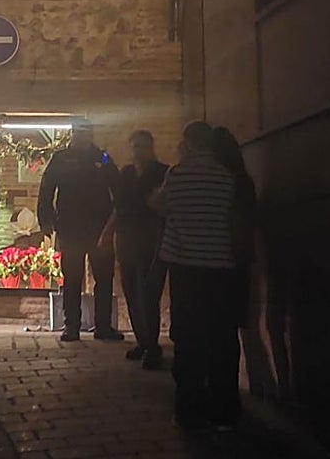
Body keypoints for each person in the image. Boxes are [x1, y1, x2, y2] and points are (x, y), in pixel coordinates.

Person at [152, 121, 240, 430]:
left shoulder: (178, 174)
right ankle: (223, 411)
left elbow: (162, 206)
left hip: (185, 266)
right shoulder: (226, 176)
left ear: (188, 143)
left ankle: (188, 410)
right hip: (220, 265)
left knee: (188, 336)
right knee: (220, 335)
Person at [37, 119, 123, 342]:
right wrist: (45, 219)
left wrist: (115, 223)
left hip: (99, 229)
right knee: (72, 278)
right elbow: (46, 188)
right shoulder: (61, 159)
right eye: (78, 132)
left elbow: (118, 188)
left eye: (86, 133)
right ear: (73, 134)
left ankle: (103, 326)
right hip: (70, 227)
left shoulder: (102, 158)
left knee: (103, 278)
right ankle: (71, 326)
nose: (82, 136)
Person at [100, 130, 169, 369]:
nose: (138, 151)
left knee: (149, 294)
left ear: (151, 148)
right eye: (135, 146)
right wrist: (107, 233)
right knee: (131, 292)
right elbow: (119, 208)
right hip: (127, 241)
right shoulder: (126, 174)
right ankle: (143, 341)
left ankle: (153, 346)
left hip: (152, 242)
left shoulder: (162, 173)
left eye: (142, 146)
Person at [210, 126, 258, 330]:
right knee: (238, 316)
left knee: (218, 319)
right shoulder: (243, 180)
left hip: (219, 254)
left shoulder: (219, 182)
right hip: (241, 254)